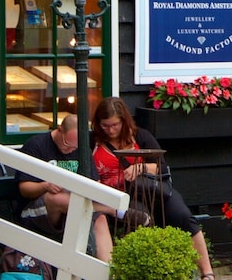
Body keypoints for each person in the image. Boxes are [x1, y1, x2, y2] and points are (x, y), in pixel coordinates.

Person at [91, 97, 215, 280]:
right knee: (140, 218)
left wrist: (139, 167)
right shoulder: (93, 141)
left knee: (182, 215)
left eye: (115, 125)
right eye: (105, 126)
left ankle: (207, 272)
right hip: (118, 195)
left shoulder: (140, 135)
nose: (110, 130)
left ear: (123, 120)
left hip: (151, 189)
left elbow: (161, 167)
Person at [16, 115, 149, 263]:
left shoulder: (81, 149)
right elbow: (24, 188)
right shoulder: (36, 145)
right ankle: (114, 209)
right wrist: (45, 185)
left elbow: (95, 183)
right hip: (39, 212)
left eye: (75, 147)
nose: (70, 150)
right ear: (59, 130)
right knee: (56, 197)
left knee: (99, 217)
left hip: (75, 207)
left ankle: (109, 271)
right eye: (67, 144)